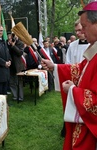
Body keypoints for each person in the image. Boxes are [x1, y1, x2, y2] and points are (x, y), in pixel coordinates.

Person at [41, 1, 97, 149]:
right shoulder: (94, 49)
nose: (82, 32)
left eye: (84, 27)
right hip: (84, 123)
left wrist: (73, 90)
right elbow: (81, 69)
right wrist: (56, 67)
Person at [7, 33, 25, 101]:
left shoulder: (20, 43)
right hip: (10, 65)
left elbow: (20, 53)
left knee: (19, 83)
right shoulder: (7, 43)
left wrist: (13, 46)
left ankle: (20, 97)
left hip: (17, 66)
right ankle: (15, 96)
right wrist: (9, 44)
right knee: (12, 82)